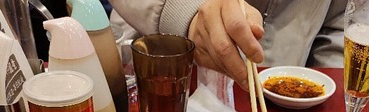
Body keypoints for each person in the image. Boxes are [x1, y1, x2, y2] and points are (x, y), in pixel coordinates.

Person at [109, 0, 347, 90]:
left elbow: (342, 20)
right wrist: (183, 10)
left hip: (286, 97)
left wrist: (327, 86)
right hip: (157, 78)